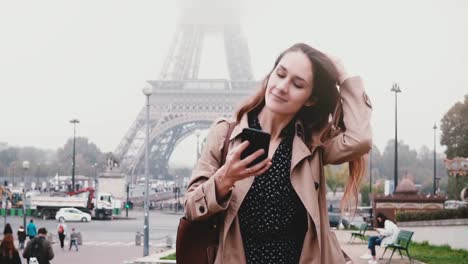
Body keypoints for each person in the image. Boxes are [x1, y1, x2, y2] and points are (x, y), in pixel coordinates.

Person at [184, 43, 372, 263]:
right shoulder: (224, 135)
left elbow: (360, 139)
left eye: (297, 84)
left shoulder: (311, 145)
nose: (282, 87)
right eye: (280, 74)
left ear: (311, 99)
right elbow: (190, 208)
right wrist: (224, 180)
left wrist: (342, 73)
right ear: (270, 74)